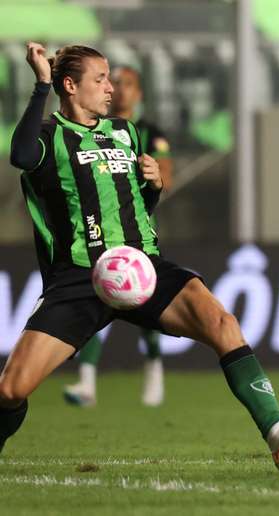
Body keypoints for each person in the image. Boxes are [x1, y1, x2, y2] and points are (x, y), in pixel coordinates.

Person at [1, 42, 279, 473]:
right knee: (11, 390)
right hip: (80, 277)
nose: (110, 87)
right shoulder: (48, 136)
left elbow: (137, 206)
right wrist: (39, 85)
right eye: (99, 79)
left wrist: (152, 186)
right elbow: (21, 157)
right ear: (69, 84)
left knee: (223, 324)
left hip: (141, 267)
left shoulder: (126, 132)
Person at [64, 65, 173, 408]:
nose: (120, 90)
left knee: (146, 305)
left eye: (128, 85)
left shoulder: (148, 133)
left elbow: (164, 177)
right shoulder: (91, 129)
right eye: (116, 83)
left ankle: (154, 372)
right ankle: (86, 383)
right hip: (99, 235)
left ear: (138, 93)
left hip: (139, 233)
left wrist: (152, 176)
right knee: (100, 302)